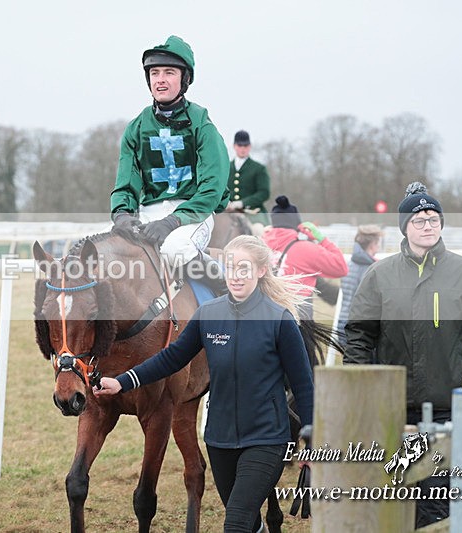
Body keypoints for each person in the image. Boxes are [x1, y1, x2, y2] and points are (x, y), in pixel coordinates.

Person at [95, 235, 314, 533]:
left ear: (261, 270)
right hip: (219, 440)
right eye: (230, 267)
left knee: (235, 523)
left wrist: (313, 444)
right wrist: (122, 382)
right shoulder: (209, 314)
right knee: (248, 522)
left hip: (266, 438)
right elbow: (172, 358)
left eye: (244, 268)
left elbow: (304, 387)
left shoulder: (280, 320)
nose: (235, 276)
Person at [344, 182, 462, 529]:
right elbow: (357, 336)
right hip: (392, 409)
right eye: (419, 220)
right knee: (393, 500)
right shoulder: (379, 275)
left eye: (434, 219)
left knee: (437, 503)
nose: (428, 225)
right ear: (405, 227)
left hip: (448, 409)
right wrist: (360, 391)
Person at [110, 35, 229, 290]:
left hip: (192, 214)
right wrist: (122, 215)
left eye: (169, 72)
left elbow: (212, 190)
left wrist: (172, 221)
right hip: (148, 212)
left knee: (175, 249)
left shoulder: (202, 125)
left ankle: (228, 292)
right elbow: (125, 186)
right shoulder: (136, 128)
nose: (160, 79)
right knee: (102, 251)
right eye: (154, 73)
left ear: (185, 79)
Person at [262, 195, 348, 319]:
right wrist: (321, 239)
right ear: (297, 224)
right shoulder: (306, 249)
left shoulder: (258, 244)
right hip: (298, 316)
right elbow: (341, 268)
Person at [336, 224, 384, 347]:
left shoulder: (349, 265)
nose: (379, 246)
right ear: (372, 244)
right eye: (378, 242)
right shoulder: (370, 269)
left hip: (344, 321)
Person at [224, 130, 271, 227]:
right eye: (239, 145)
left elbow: (264, 193)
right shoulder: (226, 168)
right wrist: (226, 202)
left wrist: (242, 203)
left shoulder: (259, 168)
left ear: (249, 147)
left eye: (245, 146)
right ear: (234, 146)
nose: (242, 149)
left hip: (253, 212)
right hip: (229, 211)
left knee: (260, 230)